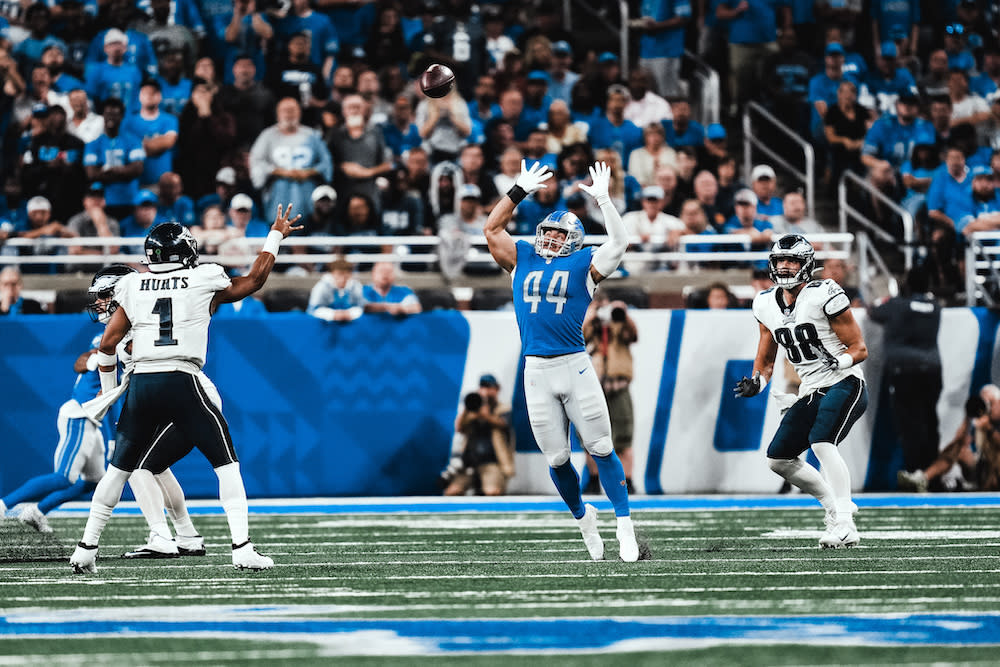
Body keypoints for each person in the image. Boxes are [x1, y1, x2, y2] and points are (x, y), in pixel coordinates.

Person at [69, 205, 303, 574]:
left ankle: (85, 549)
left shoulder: (131, 284)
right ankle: (241, 547)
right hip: (182, 378)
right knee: (226, 466)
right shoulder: (204, 277)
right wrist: (275, 235)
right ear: (187, 251)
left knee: (119, 470)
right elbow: (254, 280)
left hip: (144, 383)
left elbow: (107, 345)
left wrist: (111, 392)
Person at [483, 159, 641, 562]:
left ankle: (624, 523)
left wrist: (605, 201)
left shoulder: (583, 265)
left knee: (602, 448)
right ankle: (583, 518)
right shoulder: (521, 256)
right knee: (556, 458)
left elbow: (619, 244)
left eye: (559, 234)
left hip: (575, 364)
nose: (552, 239)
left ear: (573, 240)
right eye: (548, 232)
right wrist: (518, 190)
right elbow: (491, 228)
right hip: (536, 369)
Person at [0, 266, 205, 560]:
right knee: (147, 468)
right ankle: (183, 534)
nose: (99, 303)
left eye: (106, 296)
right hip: (120, 407)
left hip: (147, 401)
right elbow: (85, 363)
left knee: (129, 470)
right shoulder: (122, 330)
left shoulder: (136, 328)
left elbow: (112, 373)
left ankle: (164, 535)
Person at [734, 234, 868, 548]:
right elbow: (766, 358)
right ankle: (833, 508)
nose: (783, 266)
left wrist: (839, 359)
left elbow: (860, 348)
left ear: (805, 264)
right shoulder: (765, 302)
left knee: (821, 442)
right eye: (779, 260)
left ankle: (846, 522)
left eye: (791, 260)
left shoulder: (824, 293)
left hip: (844, 380)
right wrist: (759, 382)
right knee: (778, 458)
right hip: (811, 389)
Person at [869, 266, 942, 474]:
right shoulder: (934, 307)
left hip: (905, 371)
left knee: (910, 422)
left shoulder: (896, 306)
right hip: (931, 369)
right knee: (930, 420)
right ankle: (930, 472)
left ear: (907, 284)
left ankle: (914, 469)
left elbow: (873, 312)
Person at [582, 293, 638, 494]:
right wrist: (590, 314)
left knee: (623, 438)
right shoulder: (591, 326)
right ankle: (593, 480)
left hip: (619, 386)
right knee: (591, 437)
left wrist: (621, 312)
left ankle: (628, 482)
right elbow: (578, 337)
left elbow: (633, 334)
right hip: (595, 386)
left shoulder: (619, 325)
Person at [898, 387, 1000, 492]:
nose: (988, 408)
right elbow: (961, 440)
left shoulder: (989, 425)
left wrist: (989, 429)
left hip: (996, 471)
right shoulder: (982, 419)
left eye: (991, 403)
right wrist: (968, 417)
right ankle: (923, 478)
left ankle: (984, 489)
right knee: (959, 449)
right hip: (982, 468)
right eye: (984, 402)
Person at [442, 374, 515, 496]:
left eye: (489, 387)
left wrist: (486, 415)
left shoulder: (503, 408)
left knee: (492, 492)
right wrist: (469, 406)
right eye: (483, 386)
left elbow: (503, 424)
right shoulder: (473, 410)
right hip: (469, 465)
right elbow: (459, 428)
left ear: (497, 388)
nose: (486, 390)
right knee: (452, 492)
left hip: (492, 463)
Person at [307, 258, 364, 322]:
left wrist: (350, 314)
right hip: (325, 324)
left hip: (350, 324)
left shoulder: (356, 286)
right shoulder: (321, 287)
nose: (342, 279)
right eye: (339, 274)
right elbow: (312, 310)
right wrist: (333, 315)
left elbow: (362, 307)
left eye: (346, 276)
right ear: (332, 274)